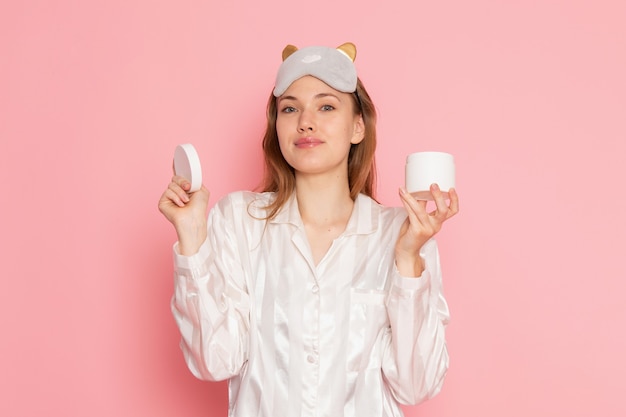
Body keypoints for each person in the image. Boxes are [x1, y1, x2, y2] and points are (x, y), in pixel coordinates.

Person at [158, 42, 459, 417]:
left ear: (358, 126)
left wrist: (408, 258)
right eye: (290, 108)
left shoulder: (403, 232)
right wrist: (191, 242)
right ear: (277, 127)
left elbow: (416, 386)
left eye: (326, 106)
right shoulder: (238, 220)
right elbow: (214, 361)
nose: (306, 121)